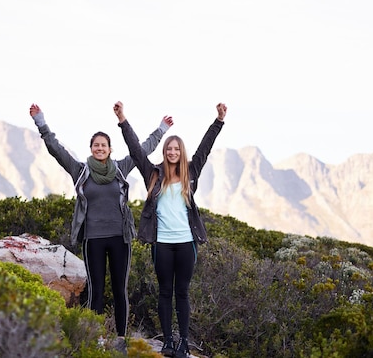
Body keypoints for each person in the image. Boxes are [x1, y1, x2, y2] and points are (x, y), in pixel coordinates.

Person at [29, 103, 173, 352]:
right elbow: (55, 148)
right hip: (93, 238)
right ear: (91, 149)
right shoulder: (80, 170)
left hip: (120, 238)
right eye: (96, 145)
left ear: (109, 149)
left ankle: (120, 338)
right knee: (96, 289)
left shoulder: (121, 168)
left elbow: (143, 149)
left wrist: (161, 129)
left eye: (103, 145)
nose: (99, 148)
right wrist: (40, 121)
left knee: (120, 289)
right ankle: (93, 336)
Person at [113, 100, 227, 358]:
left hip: (187, 243)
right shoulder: (152, 174)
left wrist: (218, 121)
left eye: (176, 149)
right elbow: (135, 149)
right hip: (162, 243)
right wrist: (123, 120)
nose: (173, 152)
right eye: (169, 149)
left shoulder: (191, 173)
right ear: (164, 152)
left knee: (182, 293)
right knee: (165, 292)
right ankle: (167, 342)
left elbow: (204, 149)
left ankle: (183, 343)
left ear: (181, 152)